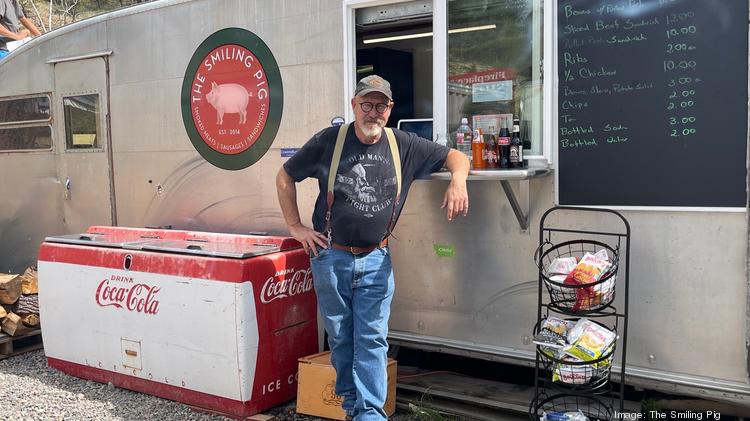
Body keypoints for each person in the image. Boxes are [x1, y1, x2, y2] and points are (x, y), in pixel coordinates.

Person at [276, 75, 470, 420]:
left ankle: (369, 414)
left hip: (376, 259)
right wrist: (295, 226)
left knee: (372, 339)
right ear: (354, 105)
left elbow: (457, 156)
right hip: (330, 256)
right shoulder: (330, 140)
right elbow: (285, 175)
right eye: (367, 104)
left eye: (381, 105)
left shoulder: (404, 144)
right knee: (340, 337)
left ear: (390, 109)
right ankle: (353, 407)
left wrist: (458, 181)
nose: (373, 112)